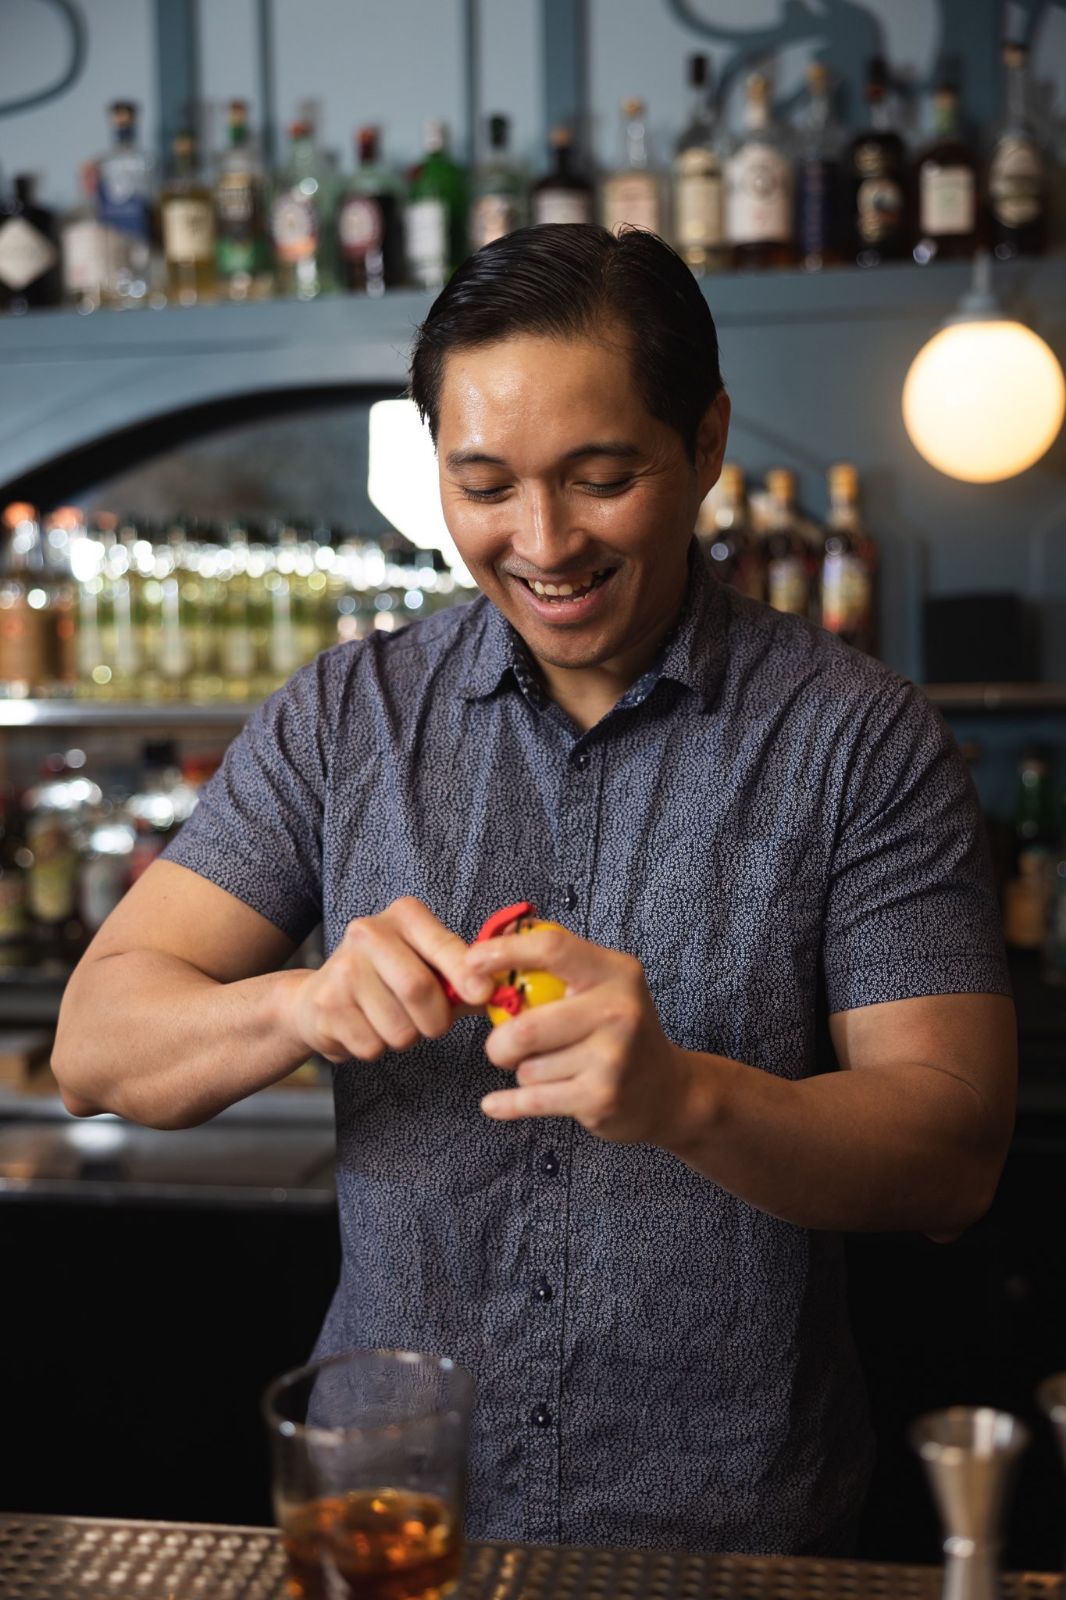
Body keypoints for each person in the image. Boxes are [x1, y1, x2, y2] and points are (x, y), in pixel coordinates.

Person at [52, 224, 1015, 1557]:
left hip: (725, 1545)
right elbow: (95, 1047)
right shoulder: (343, 719)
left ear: (705, 443)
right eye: (484, 485)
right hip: (397, 1520)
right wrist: (298, 1005)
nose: (543, 541)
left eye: (601, 478)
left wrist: (686, 1097)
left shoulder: (859, 740)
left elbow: (952, 1154)